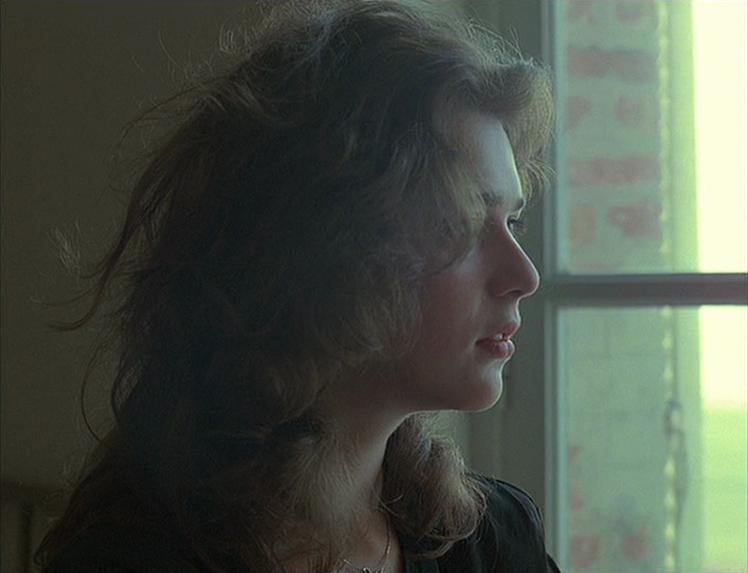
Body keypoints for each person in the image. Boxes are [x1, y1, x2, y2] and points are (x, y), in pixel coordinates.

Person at [36, 0, 558, 571]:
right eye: (462, 222)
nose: (524, 276)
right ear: (325, 246)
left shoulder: (496, 543)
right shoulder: (131, 560)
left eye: (512, 221)